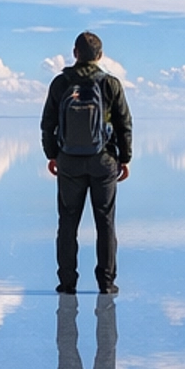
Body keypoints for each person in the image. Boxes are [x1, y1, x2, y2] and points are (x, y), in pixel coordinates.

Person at [41, 30, 132, 295]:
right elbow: (124, 123)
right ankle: (106, 283)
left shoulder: (60, 83)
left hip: (69, 161)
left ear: (75, 53)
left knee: (67, 223)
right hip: (103, 161)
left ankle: (67, 283)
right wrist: (124, 159)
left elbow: (48, 124)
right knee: (105, 223)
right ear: (100, 56)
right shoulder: (110, 84)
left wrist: (52, 155)